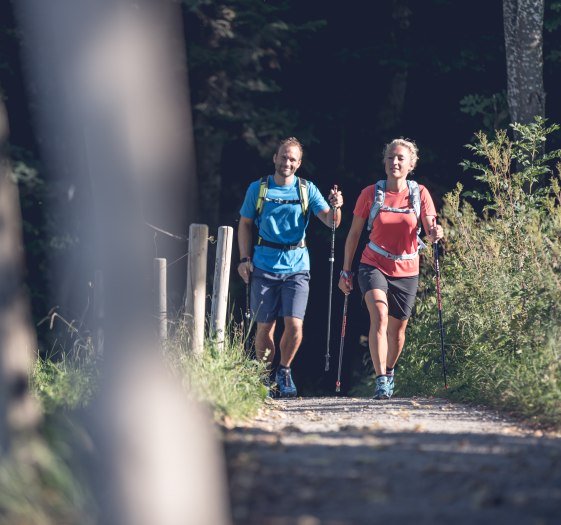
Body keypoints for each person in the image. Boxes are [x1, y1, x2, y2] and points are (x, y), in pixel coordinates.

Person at [338, 138, 443, 399]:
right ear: (384, 161)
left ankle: (389, 369)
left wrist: (436, 233)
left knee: (398, 332)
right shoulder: (370, 194)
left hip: (407, 268)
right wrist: (345, 270)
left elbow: (430, 230)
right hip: (373, 263)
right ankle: (381, 380)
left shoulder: (420, 194)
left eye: (400, 158)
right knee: (380, 317)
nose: (394, 162)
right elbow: (353, 235)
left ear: (411, 164)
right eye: (390, 158)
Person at [238, 137, 343, 398]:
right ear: (275, 157)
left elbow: (331, 223)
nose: (287, 162)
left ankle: (284, 371)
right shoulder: (258, 188)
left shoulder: (307, 189)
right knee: (265, 327)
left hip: (297, 265)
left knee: (295, 324)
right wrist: (244, 259)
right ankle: (264, 376)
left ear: (299, 163)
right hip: (263, 265)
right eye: (283, 157)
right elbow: (245, 224)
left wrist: (336, 206)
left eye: (293, 159)